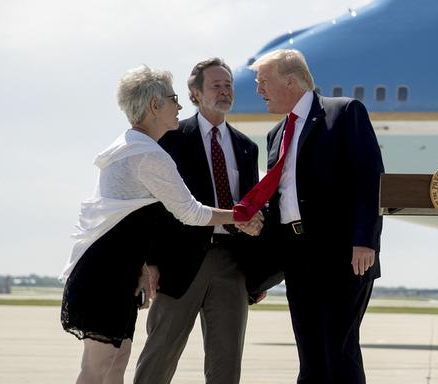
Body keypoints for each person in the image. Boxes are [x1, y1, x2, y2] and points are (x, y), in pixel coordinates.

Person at [60, 65, 256, 384]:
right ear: (154, 106)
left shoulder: (128, 145)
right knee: (100, 367)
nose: (179, 106)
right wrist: (239, 215)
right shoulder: (149, 155)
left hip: (115, 270)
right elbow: (190, 213)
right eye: (173, 98)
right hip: (106, 272)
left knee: (114, 364)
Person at [238, 49, 384, 383]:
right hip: (297, 255)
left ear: (290, 81)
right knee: (311, 355)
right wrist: (263, 270)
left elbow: (369, 178)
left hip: (342, 254)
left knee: (339, 352)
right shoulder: (277, 133)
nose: (258, 90)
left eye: (263, 82)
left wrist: (364, 240)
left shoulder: (344, 112)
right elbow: (284, 201)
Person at [134, 58, 265, 384]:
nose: (225, 91)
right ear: (195, 93)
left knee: (226, 363)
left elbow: (251, 208)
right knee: (159, 356)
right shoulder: (171, 139)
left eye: (229, 85)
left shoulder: (246, 147)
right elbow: (151, 206)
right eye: (216, 85)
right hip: (179, 263)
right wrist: (149, 260)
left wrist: (258, 272)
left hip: (232, 264)